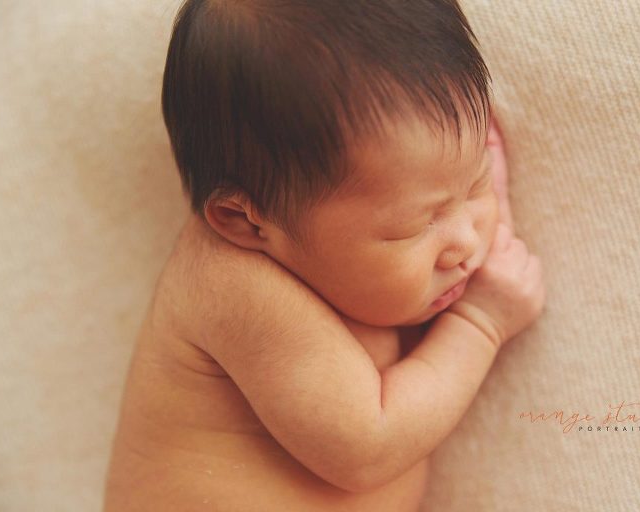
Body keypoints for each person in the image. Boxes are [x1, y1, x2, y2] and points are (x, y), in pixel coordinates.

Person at [104, 0, 545, 510]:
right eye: (412, 225)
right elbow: (367, 451)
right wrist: (479, 324)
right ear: (246, 222)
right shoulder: (233, 286)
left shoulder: (345, 260)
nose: (467, 241)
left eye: (475, 182)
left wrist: (486, 212)